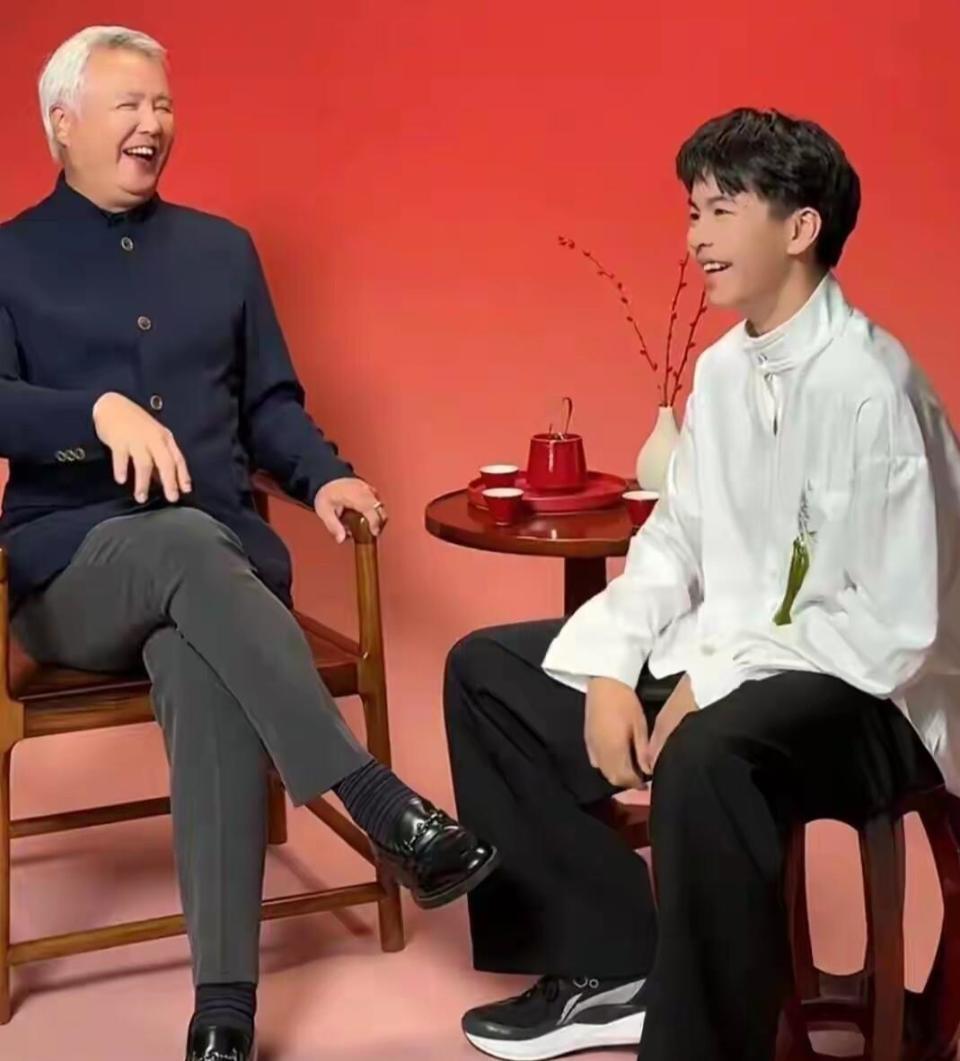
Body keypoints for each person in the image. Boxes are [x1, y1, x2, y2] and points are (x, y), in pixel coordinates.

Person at [0, 26, 498, 1061]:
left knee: (201, 658)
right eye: (129, 104)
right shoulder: (8, 256)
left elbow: (270, 403)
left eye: (163, 104)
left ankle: (223, 1014)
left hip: (216, 574)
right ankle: (376, 800)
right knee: (183, 541)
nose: (153, 123)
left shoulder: (223, 251)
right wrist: (92, 411)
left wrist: (325, 475)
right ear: (62, 125)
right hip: (71, 571)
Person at [445, 107, 960, 1061]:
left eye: (722, 210)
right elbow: (675, 542)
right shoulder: (723, 373)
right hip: (747, 662)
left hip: (876, 696)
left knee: (707, 751)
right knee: (489, 673)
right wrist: (613, 666)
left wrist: (705, 683)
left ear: (800, 227)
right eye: (692, 212)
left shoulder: (871, 387)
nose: (696, 237)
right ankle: (611, 967)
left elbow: (893, 626)